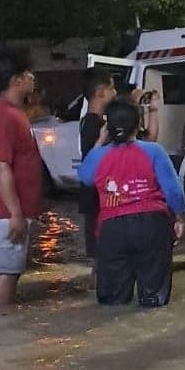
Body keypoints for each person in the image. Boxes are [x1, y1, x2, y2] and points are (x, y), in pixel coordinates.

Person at [78, 99, 185, 306]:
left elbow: (85, 177)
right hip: (152, 224)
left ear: (107, 128)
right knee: (154, 297)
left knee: (112, 300)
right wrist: (180, 217)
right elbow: (173, 191)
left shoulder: (99, 156)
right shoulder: (154, 151)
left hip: (112, 229)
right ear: (138, 125)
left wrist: (99, 142)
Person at [0, 60, 44, 311]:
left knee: (10, 271)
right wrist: (14, 212)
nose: (33, 78)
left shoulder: (10, 112)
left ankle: (4, 330)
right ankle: (4, 333)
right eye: (29, 74)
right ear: (16, 80)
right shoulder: (3, 114)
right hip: (3, 210)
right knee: (7, 272)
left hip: (9, 208)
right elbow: (0, 165)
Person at [79, 68, 116, 285]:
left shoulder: (91, 120)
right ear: (101, 91)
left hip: (94, 197)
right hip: (96, 198)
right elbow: (91, 161)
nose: (115, 93)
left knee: (100, 254)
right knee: (100, 256)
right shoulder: (94, 124)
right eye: (112, 88)